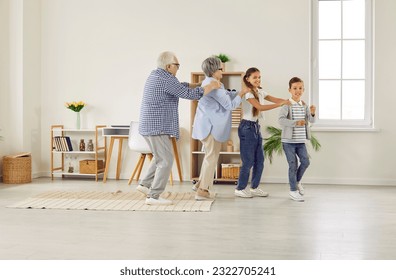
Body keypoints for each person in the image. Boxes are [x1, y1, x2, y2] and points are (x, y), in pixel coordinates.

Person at [138, 51, 221, 205]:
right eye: (177, 65)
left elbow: (180, 86)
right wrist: (209, 87)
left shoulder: (159, 76)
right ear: (168, 66)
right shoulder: (165, 80)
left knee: (159, 157)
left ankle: (144, 185)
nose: (178, 68)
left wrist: (197, 84)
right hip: (157, 126)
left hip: (150, 125)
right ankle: (153, 196)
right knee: (166, 160)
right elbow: (189, 95)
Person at [192, 56, 250, 200]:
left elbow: (225, 95)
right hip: (210, 127)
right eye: (219, 68)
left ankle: (199, 184)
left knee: (209, 156)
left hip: (206, 125)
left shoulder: (213, 83)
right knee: (211, 157)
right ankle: (202, 190)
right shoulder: (214, 85)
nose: (222, 69)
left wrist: (237, 92)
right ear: (213, 71)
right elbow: (230, 105)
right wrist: (242, 94)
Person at [235, 67, 290, 198]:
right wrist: (281, 105)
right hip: (246, 128)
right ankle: (240, 188)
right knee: (248, 161)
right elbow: (260, 107)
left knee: (259, 160)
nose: (258, 79)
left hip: (255, 127)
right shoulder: (248, 93)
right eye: (255, 77)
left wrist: (289, 101)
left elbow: (274, 99)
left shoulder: (259, 91)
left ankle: (254, 187)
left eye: (259, 77)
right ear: (247, 79)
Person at [279, 77, 316, 202]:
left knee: (306, 162)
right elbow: (281, 120)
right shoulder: (287, 105)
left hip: (300, 141)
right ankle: (293, 191)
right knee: (293, 164)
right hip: (288, 142)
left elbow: (311, 121)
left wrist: (312, 113)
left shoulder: (304, 106)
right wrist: (295, 122)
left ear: (303, 90)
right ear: (290, 90)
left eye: (300, 88)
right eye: (295, 88)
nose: (297, 91)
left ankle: (297, 182)